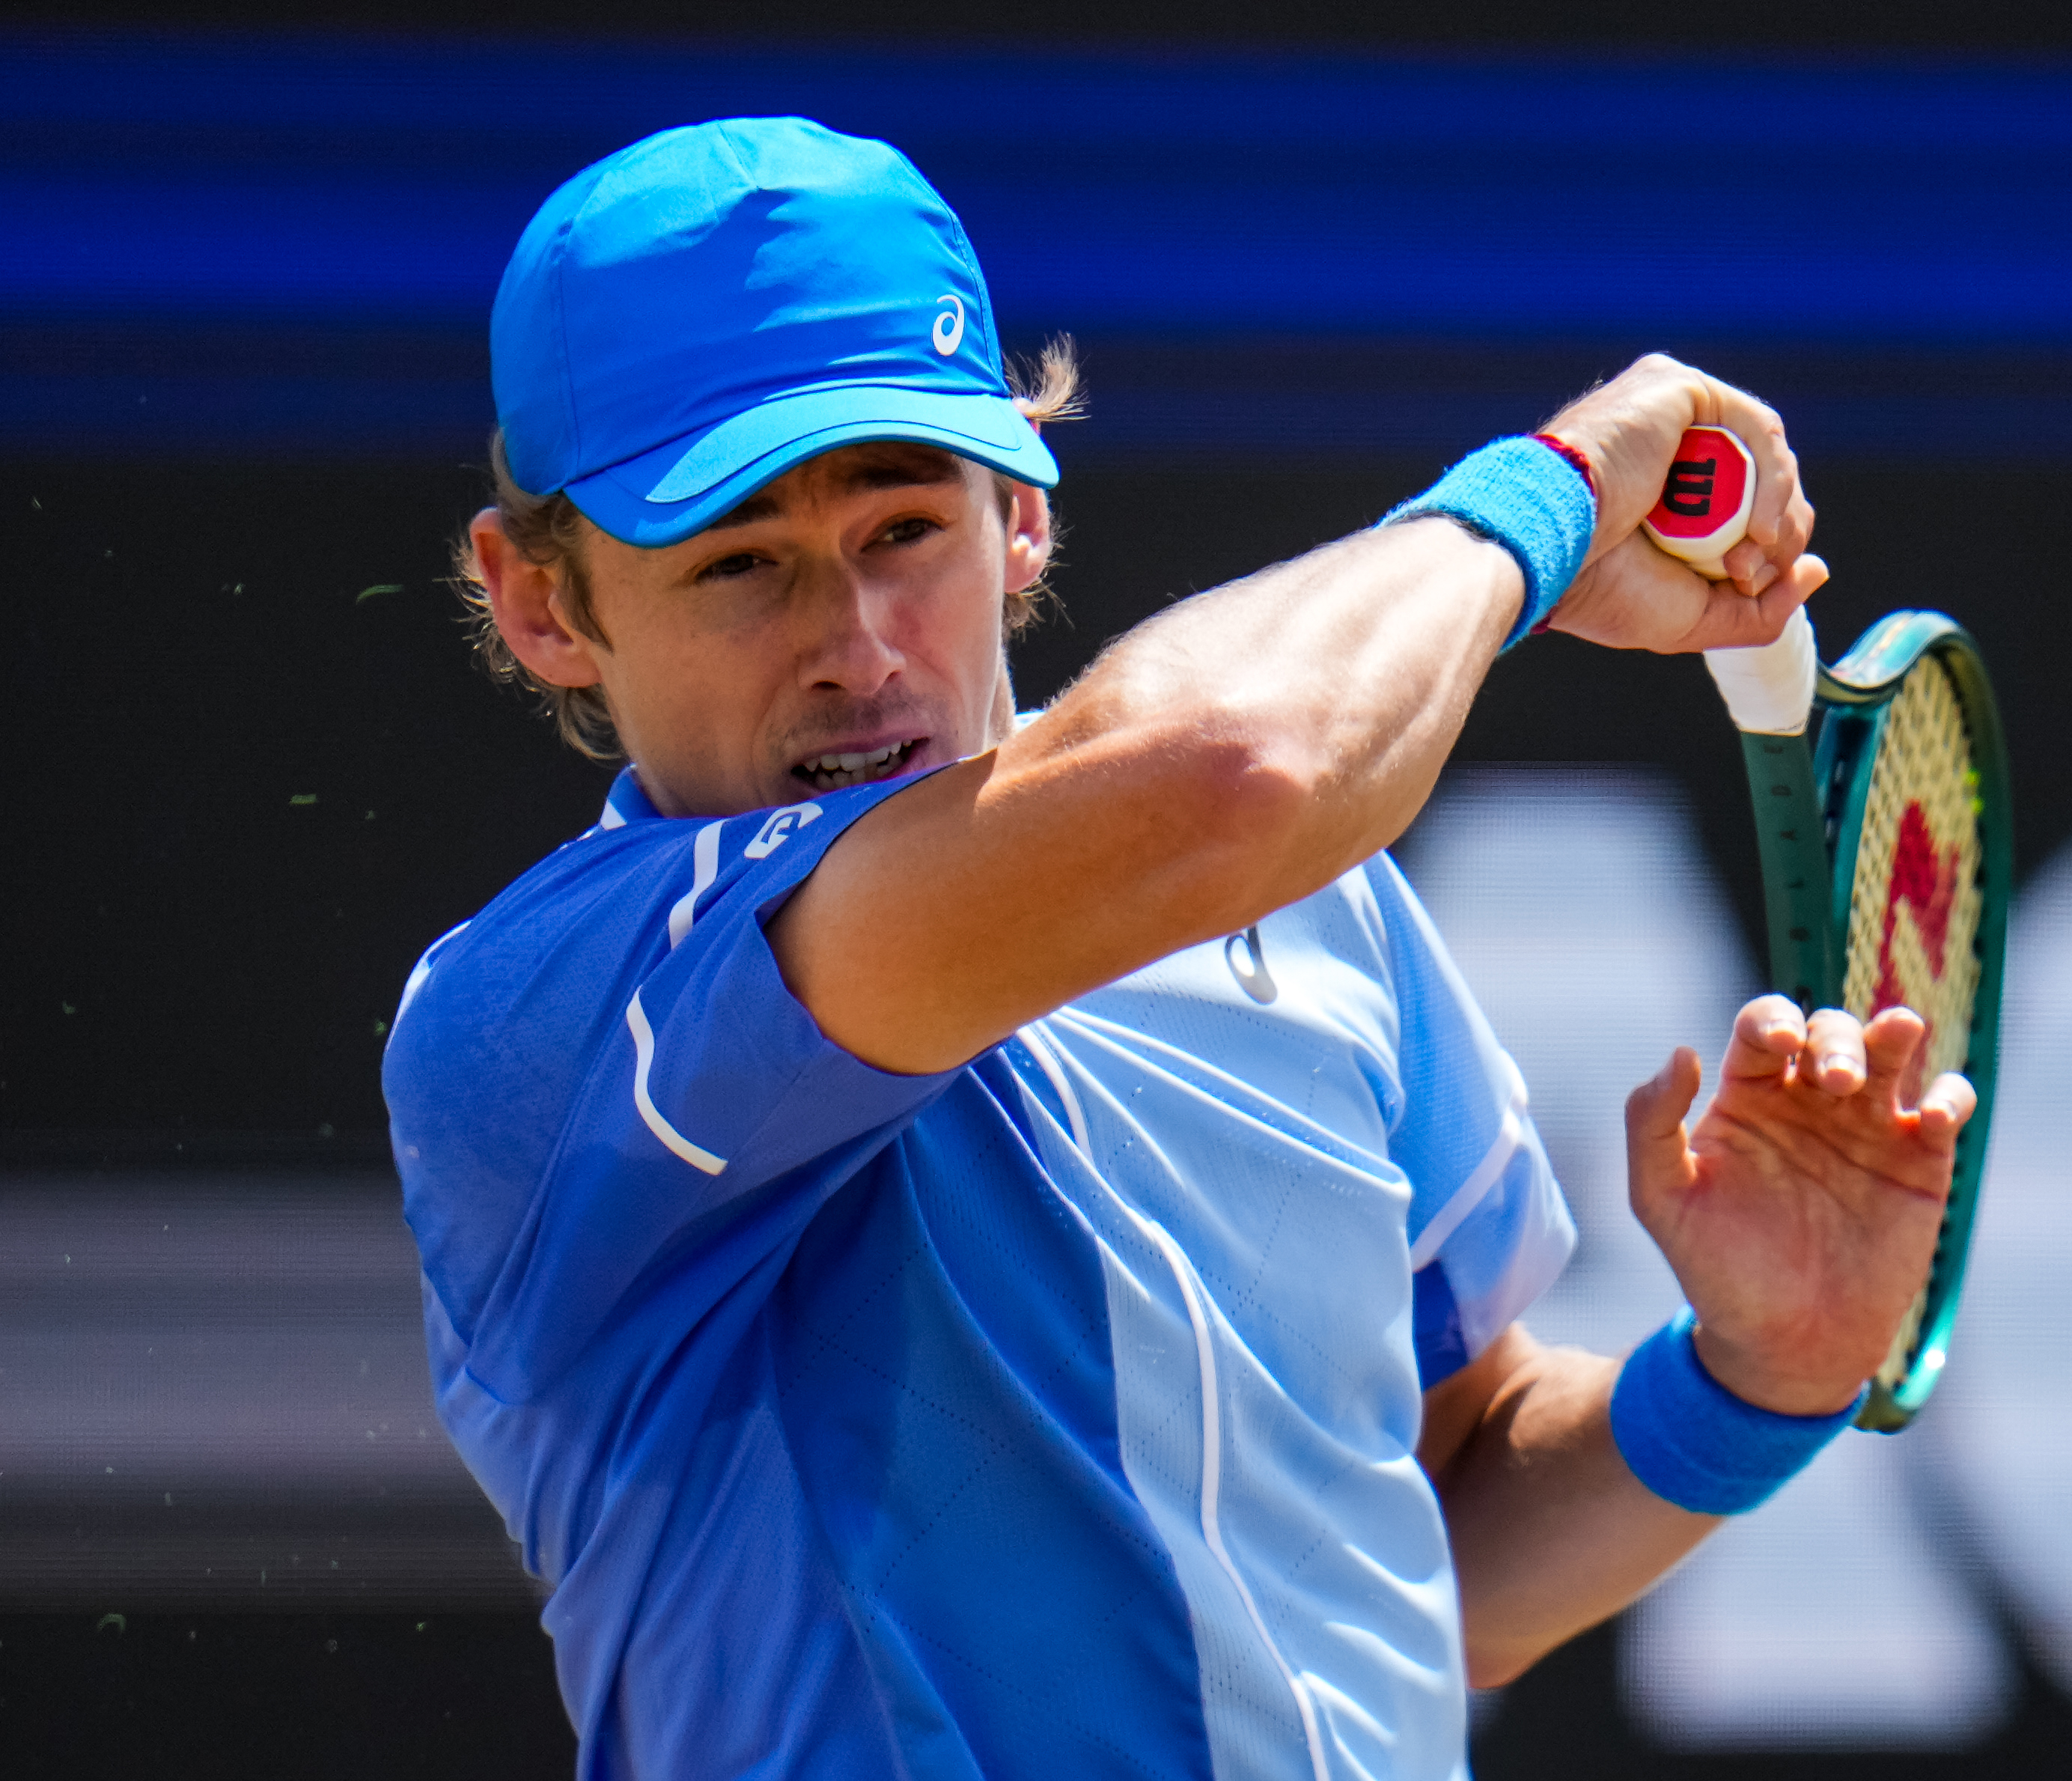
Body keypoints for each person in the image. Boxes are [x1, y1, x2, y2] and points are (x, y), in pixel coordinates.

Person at [385, 117, 1974, 1781]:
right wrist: (1547, 502)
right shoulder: (544, 1020)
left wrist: (1754, 1374)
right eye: (740, 565)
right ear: (541, 603)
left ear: (1021, 515)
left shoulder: (1319, 905)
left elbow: (1437, 1533)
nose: (854, 648)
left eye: (903, 529)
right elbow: (1230, 773)